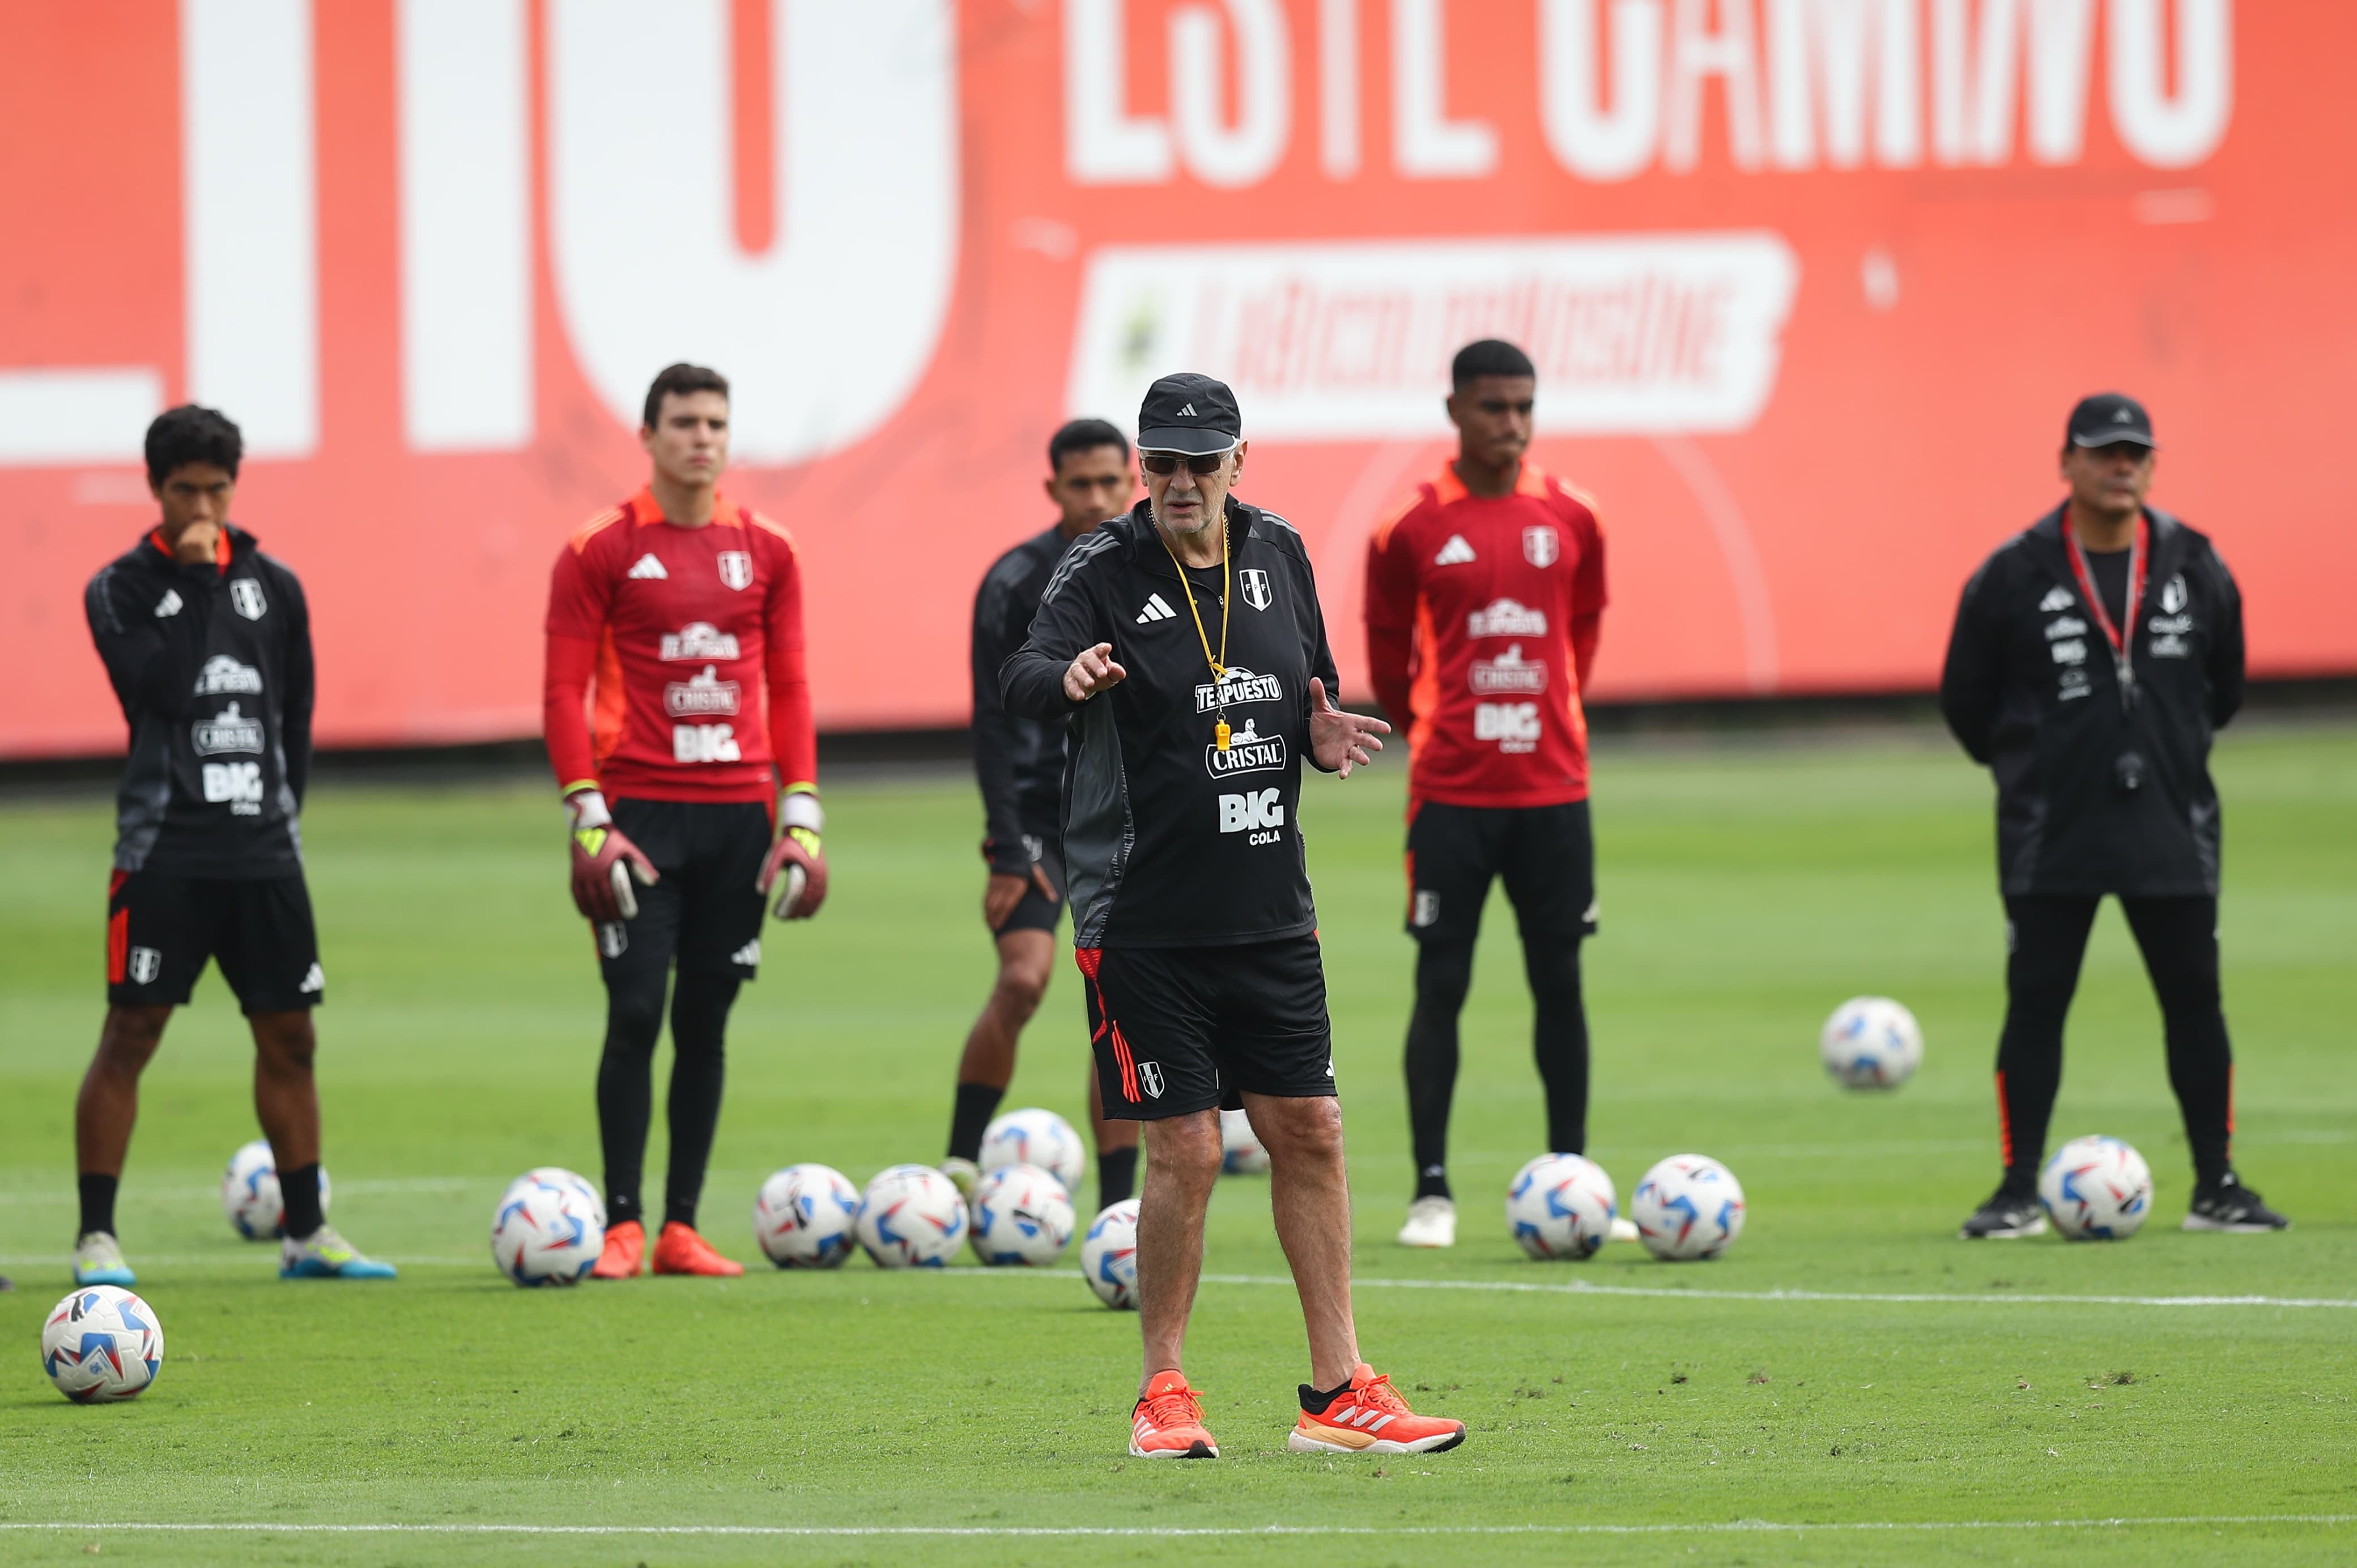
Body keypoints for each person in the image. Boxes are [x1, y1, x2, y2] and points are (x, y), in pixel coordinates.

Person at [1003, 372, 1463, 1461]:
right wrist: (1067, 676)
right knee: (1188, 1149)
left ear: (1237, 464)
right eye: (1161, 462)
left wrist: (1321, 735)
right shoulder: (1103, 567)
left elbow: (1311, 684)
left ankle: (1339, 1391)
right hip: (1142, 916)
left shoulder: (1281, 553)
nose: (1179, 482)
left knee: (1312, 1129)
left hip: (1269, 909)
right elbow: (1021, 671)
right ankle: (1163, 1391)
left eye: (1200, 463)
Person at [1941, 393, 2286, 1238]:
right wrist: (2034, 769)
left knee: (2195, 1001)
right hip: (2053, 828)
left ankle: (2218, 1185)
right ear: (2066, 463)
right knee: (2037, 1001)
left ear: (2153, 463)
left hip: (2170, 824)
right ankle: (2017, 1189)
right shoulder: (2014, 574)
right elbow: (1966, 704)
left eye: (2135, 451)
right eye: (2102, 452)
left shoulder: (2195, 564)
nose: (2120, 465)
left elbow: (2227, 690)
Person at [75, 404, 395, 1285]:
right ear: (157, 491)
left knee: (291, 1039)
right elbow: (163, 693)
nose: (204, 509)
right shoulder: (121, 589)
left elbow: (295, 713)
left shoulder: (276, 586)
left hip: (262, 853)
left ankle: (309, 1234)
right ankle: (97, 1238)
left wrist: (282, 816)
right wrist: (187, 582)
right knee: (132, 1032)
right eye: (186, 492)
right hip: (164, 852)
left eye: (218, 490)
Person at [542, 363, 828, 1280]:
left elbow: (789, 685)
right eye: (684, 423)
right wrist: (587, 814)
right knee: (634, 1014)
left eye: (715, 422)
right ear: (648, 435)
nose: (702, 437)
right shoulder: (600, 548)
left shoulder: (769, 550)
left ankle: (679, 1229)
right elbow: (561, 689)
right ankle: (621, 1225)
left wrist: (803, 812)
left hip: (740, 820)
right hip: (639, 818)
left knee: (706, 1023)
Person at [1362, 339, 1609, 1250]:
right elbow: (1391, 661)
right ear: (1456, 410)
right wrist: (1440, 728)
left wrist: (1546, 720)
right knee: (1443, 983)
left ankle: (1573, 1173)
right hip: (1453, 794)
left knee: (1561, 983)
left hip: (1553, 790)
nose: (1512, 424)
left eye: (1524, 407)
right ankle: (1432, 1189)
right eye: (1495, 407)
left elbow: (1579, 637)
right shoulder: (1409, 529)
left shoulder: (1574, 515)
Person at [942, 420, 1142, 1211]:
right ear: (1052, 489)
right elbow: (991, 720)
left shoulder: (1154, 571)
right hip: (1034, 821)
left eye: (1109, 483)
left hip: (1126, 818)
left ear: (1132, 483)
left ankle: (1119, 1207)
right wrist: (1002, 845)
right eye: (1079, 485)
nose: (1096, 499)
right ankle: (960, 1161)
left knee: (1119, 1002)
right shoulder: (1014, 581)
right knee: (1023, 979)